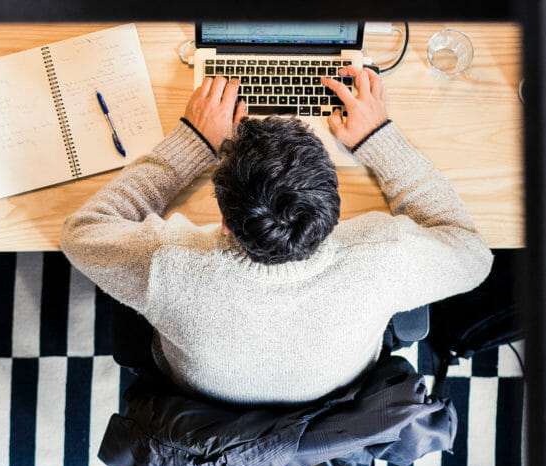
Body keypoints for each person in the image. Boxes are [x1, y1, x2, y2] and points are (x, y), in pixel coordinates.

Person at [60, 66, 493, 405]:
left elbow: (82, 231)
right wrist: (379, 139)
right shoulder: (382, 257)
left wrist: (193, 142)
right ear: (333, 208)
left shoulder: (169, 263)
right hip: (335, 399)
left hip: (202, 401)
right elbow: (471, 251)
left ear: (225, 223)